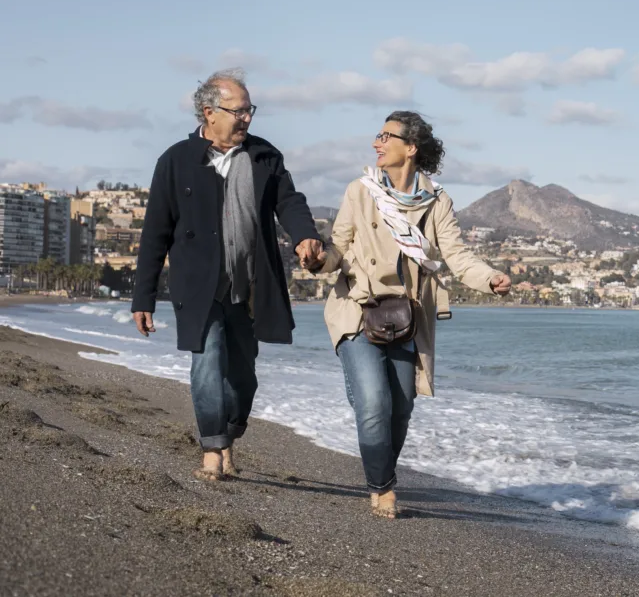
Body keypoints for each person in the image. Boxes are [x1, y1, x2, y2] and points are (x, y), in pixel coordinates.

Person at [304, 111, 511, 518]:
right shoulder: (360, 192)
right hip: (357, 310)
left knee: (401, 407)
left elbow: (457, 256)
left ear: (410, 148)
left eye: (386, 136)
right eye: (377, 136)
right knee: (374, 402)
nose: (376, 143)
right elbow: (338, 250)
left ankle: (382, 467)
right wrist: (317, 261)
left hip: (406, 317)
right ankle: (382, 488)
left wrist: (491, 279)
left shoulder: (437, 202)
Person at [131, 69, 322, 481]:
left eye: (250, 110)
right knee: (207, 363)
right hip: (197, 287)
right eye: (239, 111)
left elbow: (289, 202)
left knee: (243, 377)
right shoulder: (175, 161)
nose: (247, 119)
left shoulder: (264, 156)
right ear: (209, 112)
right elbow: (155, 233)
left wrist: (306, 236)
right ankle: (212, 449)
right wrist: (142, 298)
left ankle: (229, 434)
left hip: (250, 286)